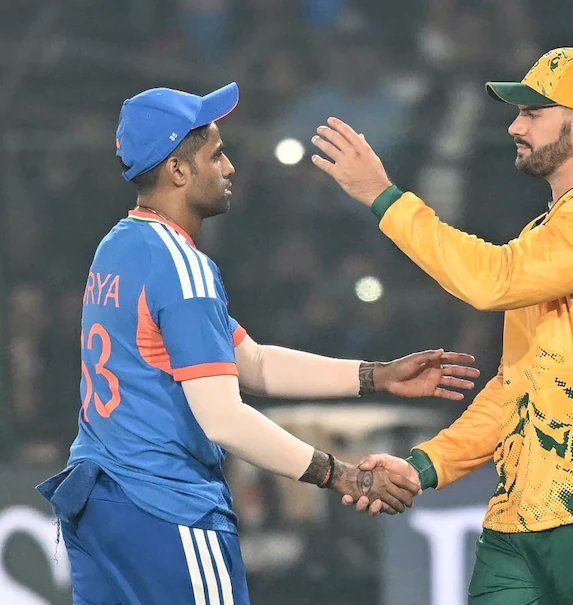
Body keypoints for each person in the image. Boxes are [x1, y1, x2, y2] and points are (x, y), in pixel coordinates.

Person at [35, 82, 480, 605]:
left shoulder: (120, 247)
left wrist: (376, 375)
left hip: (99, 505)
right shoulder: (182, 268)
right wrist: (338, 474)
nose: (230, 168)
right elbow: (224, 419)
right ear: (177, 170)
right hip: (166, 508)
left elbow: (253, 362)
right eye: (215, 155)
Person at [313, 47, 573, 604]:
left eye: (532, 112)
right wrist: (423, 466)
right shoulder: (544, 234)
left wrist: (384, 198)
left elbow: (492, 282)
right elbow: (519, 387)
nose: (514, 126)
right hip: (518, 516)